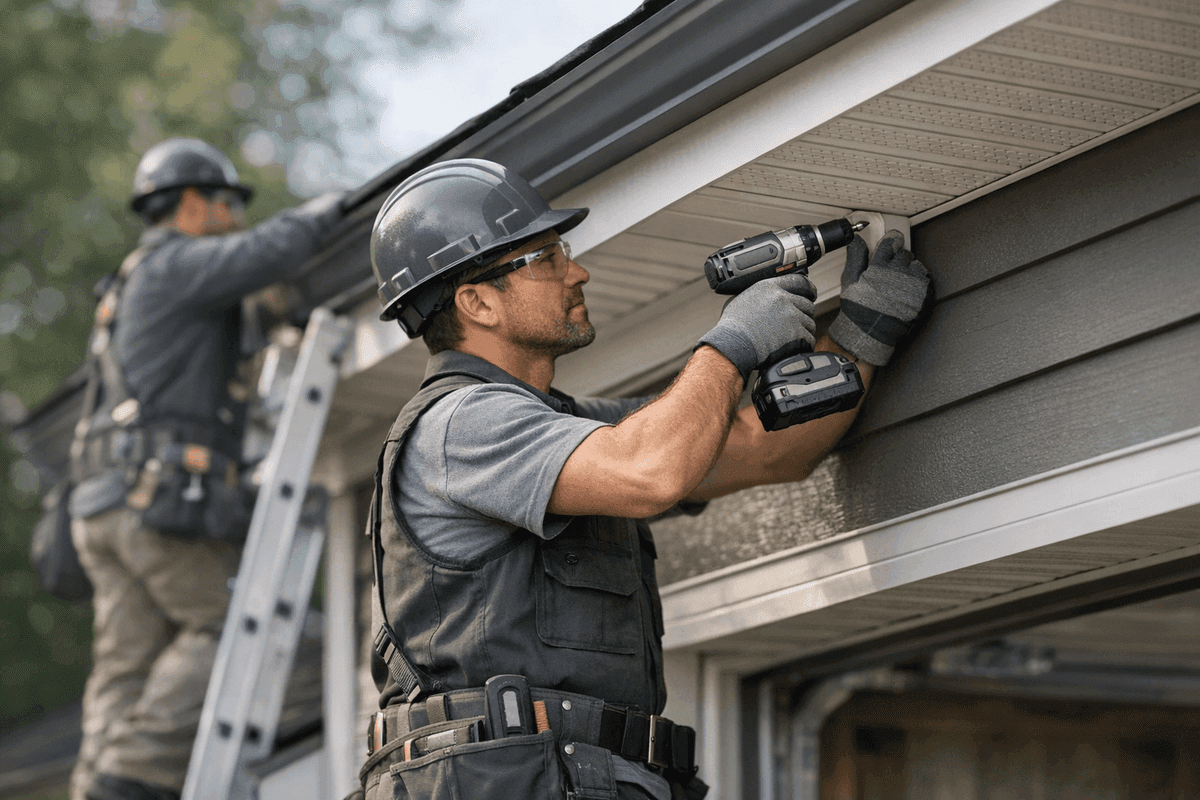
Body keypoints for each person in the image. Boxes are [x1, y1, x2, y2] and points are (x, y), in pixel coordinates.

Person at [358, 159, 930, 800]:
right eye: (545, 258)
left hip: (575, 778)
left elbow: (764, 453)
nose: (578, 271)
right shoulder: (460, 425)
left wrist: (862, 337)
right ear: (477, 301)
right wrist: (731, 345)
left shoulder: (573, 431)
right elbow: (652, 470)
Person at [67, 138, 343, 800]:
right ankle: (128, 775)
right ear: (190, 204)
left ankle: (92, 785)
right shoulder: (176, 265)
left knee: (126, 664)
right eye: (227, 203)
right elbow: (269, 254)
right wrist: (332, 210)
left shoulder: (128, 283)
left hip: (101, 504)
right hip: (155, 501)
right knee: (235, 626)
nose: (236, 218)